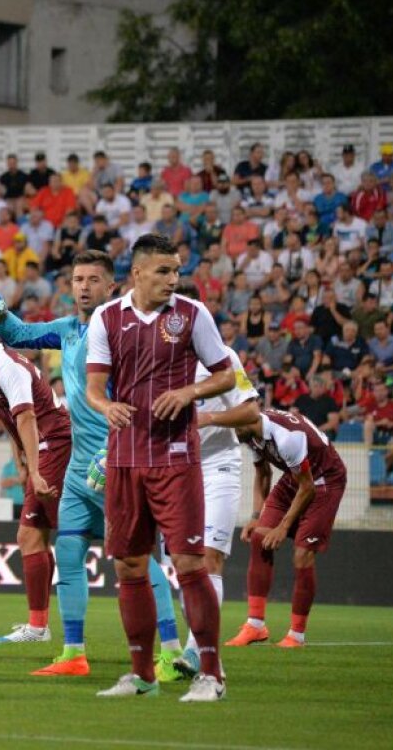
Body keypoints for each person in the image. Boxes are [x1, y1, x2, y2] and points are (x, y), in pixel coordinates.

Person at [0, 250, 182, 678]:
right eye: (77, 279)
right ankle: (73, 653)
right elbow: (23, 334)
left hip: (115, 458)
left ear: (112, 287)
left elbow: (141, 394)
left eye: (92, 279)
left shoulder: (122, 331)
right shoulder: (68, 328)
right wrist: (0, 312)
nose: (83, 286)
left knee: (136, 557)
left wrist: (117, 449)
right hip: (79, 464)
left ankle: (173, 651)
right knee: (67, 550)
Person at [85, 233, 235, 702]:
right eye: (164, 272)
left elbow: (227, 373)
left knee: (190, 564)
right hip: (125, 458)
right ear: (138, 273)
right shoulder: (106, 318)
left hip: (175, 458)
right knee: (129, 566)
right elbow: (95, 387)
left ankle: (211, 674)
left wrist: (190, 393)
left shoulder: (193, 315)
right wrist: (104, 408)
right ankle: (142, 674)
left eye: (177, 272)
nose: (174, 280)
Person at [0, 308, 72, 668]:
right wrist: (22, 463)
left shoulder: (8, 366)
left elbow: (27, 416)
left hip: (54, 445)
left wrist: (36, 470)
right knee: (30, 536)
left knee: (73, 534)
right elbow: (10, 421)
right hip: (43, 450)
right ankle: (38, 626)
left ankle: (69, 634)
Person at [170, 282, 262, 680]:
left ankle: (196, 652)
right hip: (173, 468)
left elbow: (251, 415)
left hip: (218, 464)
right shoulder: (153, 358)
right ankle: (191, 644)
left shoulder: (223, 359)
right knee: (181, 563)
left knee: (210, 558)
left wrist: (208, 418)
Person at [223, 409, 346, 648]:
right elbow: (263, 474)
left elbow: (308, 488)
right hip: (295, 478)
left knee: (302, 555)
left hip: (323, 482)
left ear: (248, 418)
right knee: (259, 538)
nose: (232, 430)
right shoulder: (251, 435)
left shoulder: (286, 436)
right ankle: (255, 626)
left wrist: (282, 526)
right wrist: (256, 516)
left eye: (234, 424)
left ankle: (296, 636)